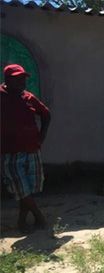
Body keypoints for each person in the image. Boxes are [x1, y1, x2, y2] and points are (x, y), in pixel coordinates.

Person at [1, 64, 51, 233]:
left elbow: (46, 114)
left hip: (32, 149)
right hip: (10, 152)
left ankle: (22, 222)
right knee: (21, 187)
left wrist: (42, 136)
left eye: (23, 78)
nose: (22, 82)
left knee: (29, 188)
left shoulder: (28, 97)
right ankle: (39, 217)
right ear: (7, 80)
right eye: (18, 78)